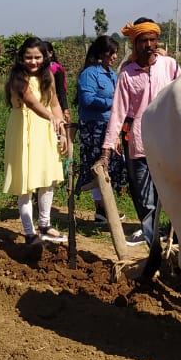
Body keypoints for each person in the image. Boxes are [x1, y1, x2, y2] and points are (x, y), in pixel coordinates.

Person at [100, 18, 181, 264]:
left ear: (157, 41)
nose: (148, 45)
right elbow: (118, 112)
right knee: (146, 202)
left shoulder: (169, 66)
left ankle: (180, 248)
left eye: (152, 40)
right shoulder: (127, 73)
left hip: (169, 142)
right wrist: (106, 149)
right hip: (140, 142)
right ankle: (154, 249)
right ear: (134, 44)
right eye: (143, 41)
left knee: (173, 198)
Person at [3, 36, 71, 245]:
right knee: (25, 183)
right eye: (28, 57)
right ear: (22, 58)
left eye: (37, 57)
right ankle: (29, 232)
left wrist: (62, 129)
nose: (33, 62)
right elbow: (31, 102)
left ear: (45, 57)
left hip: (45, 132)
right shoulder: (18, 78)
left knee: (47, 179)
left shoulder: (48, 76)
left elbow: (54, 104)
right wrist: (50, 117)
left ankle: (45, 225)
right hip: (23, 131)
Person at [76, 35, 127, 223]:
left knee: (111, 166)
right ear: (101, 53)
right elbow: (87, 100)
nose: (114, 56)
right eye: (111, 53)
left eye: (115, 53)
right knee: (97, 166)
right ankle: (101, 210)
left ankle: (107, 208)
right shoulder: (90, 74)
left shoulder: (112, 74)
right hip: (94, 127)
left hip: (110, 126)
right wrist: (112, 103)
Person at [42, 41, 70, 123]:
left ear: (51, 53)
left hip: (54, 105)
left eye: (45, 53)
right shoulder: (36, 70)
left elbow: (61, 91)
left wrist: (65, 109)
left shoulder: (56, 70)